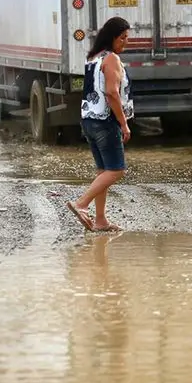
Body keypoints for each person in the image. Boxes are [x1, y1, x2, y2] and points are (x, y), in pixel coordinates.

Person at [66, 16, 133, 233]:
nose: (126, 42)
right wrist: (124, 124)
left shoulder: (93, 57)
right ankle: (81, 204)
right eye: (122, 38)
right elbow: (112, 93)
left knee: (103, 171)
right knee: (117, 170)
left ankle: (101, 219)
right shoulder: (111, 59)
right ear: (112, 37)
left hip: (89, 120)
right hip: (106, 121)